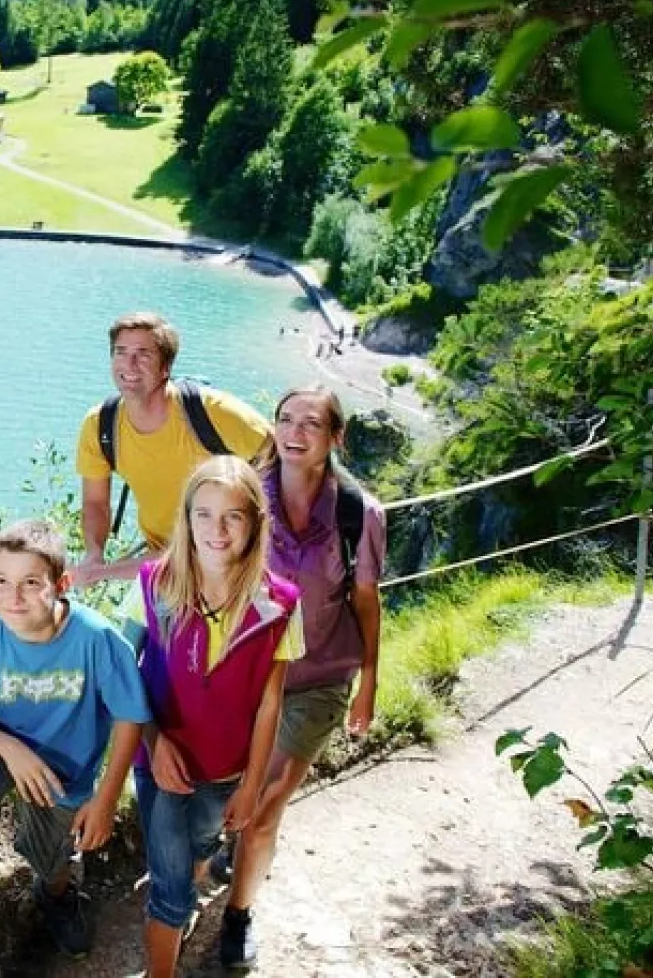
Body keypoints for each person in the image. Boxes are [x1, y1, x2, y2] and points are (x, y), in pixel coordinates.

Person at [0, 519, 151, 977]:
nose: (12, 597)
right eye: (1, 582)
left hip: (64, 768)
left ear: (62, 584)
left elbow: (131, 716)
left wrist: (107, 798)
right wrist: (11, 749)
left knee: (53, 863)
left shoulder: (95, 639)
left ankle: (54, 894)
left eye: (30, 583)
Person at [214, 385, 386, 969]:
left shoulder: (358, 514)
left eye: (311, 423)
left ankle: (237, 919)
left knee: (265, 804)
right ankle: (225, 860)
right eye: (286, 419)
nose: (295, 431)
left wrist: (369, 683)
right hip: (248, 676)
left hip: (318, 679)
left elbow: (366, 601)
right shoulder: (243, 499)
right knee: (230, 793)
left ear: (335, 439)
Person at [129, 456, 303, 978]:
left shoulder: (280, 604)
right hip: (161, 765)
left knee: (204, 844)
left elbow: (271, 702)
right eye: (203, 514)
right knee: (172, 892)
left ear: (255, 523)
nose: (216, 530)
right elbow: (124, 674)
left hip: (227, 770)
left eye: (232, 516)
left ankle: (194, 875)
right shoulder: (154, 584)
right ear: (185, 519)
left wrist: (252, 784)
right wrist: (154, 741)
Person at [72, 312, 271, 588]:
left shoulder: (212, 412)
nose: (129, 364)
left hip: (225, 560)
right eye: (121, 352)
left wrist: (248, 519)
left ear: (166, 367)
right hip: (163, 566)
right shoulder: (100, 425)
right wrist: (94, 554)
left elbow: (281, 457)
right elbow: (95, 503)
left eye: (144, 354)